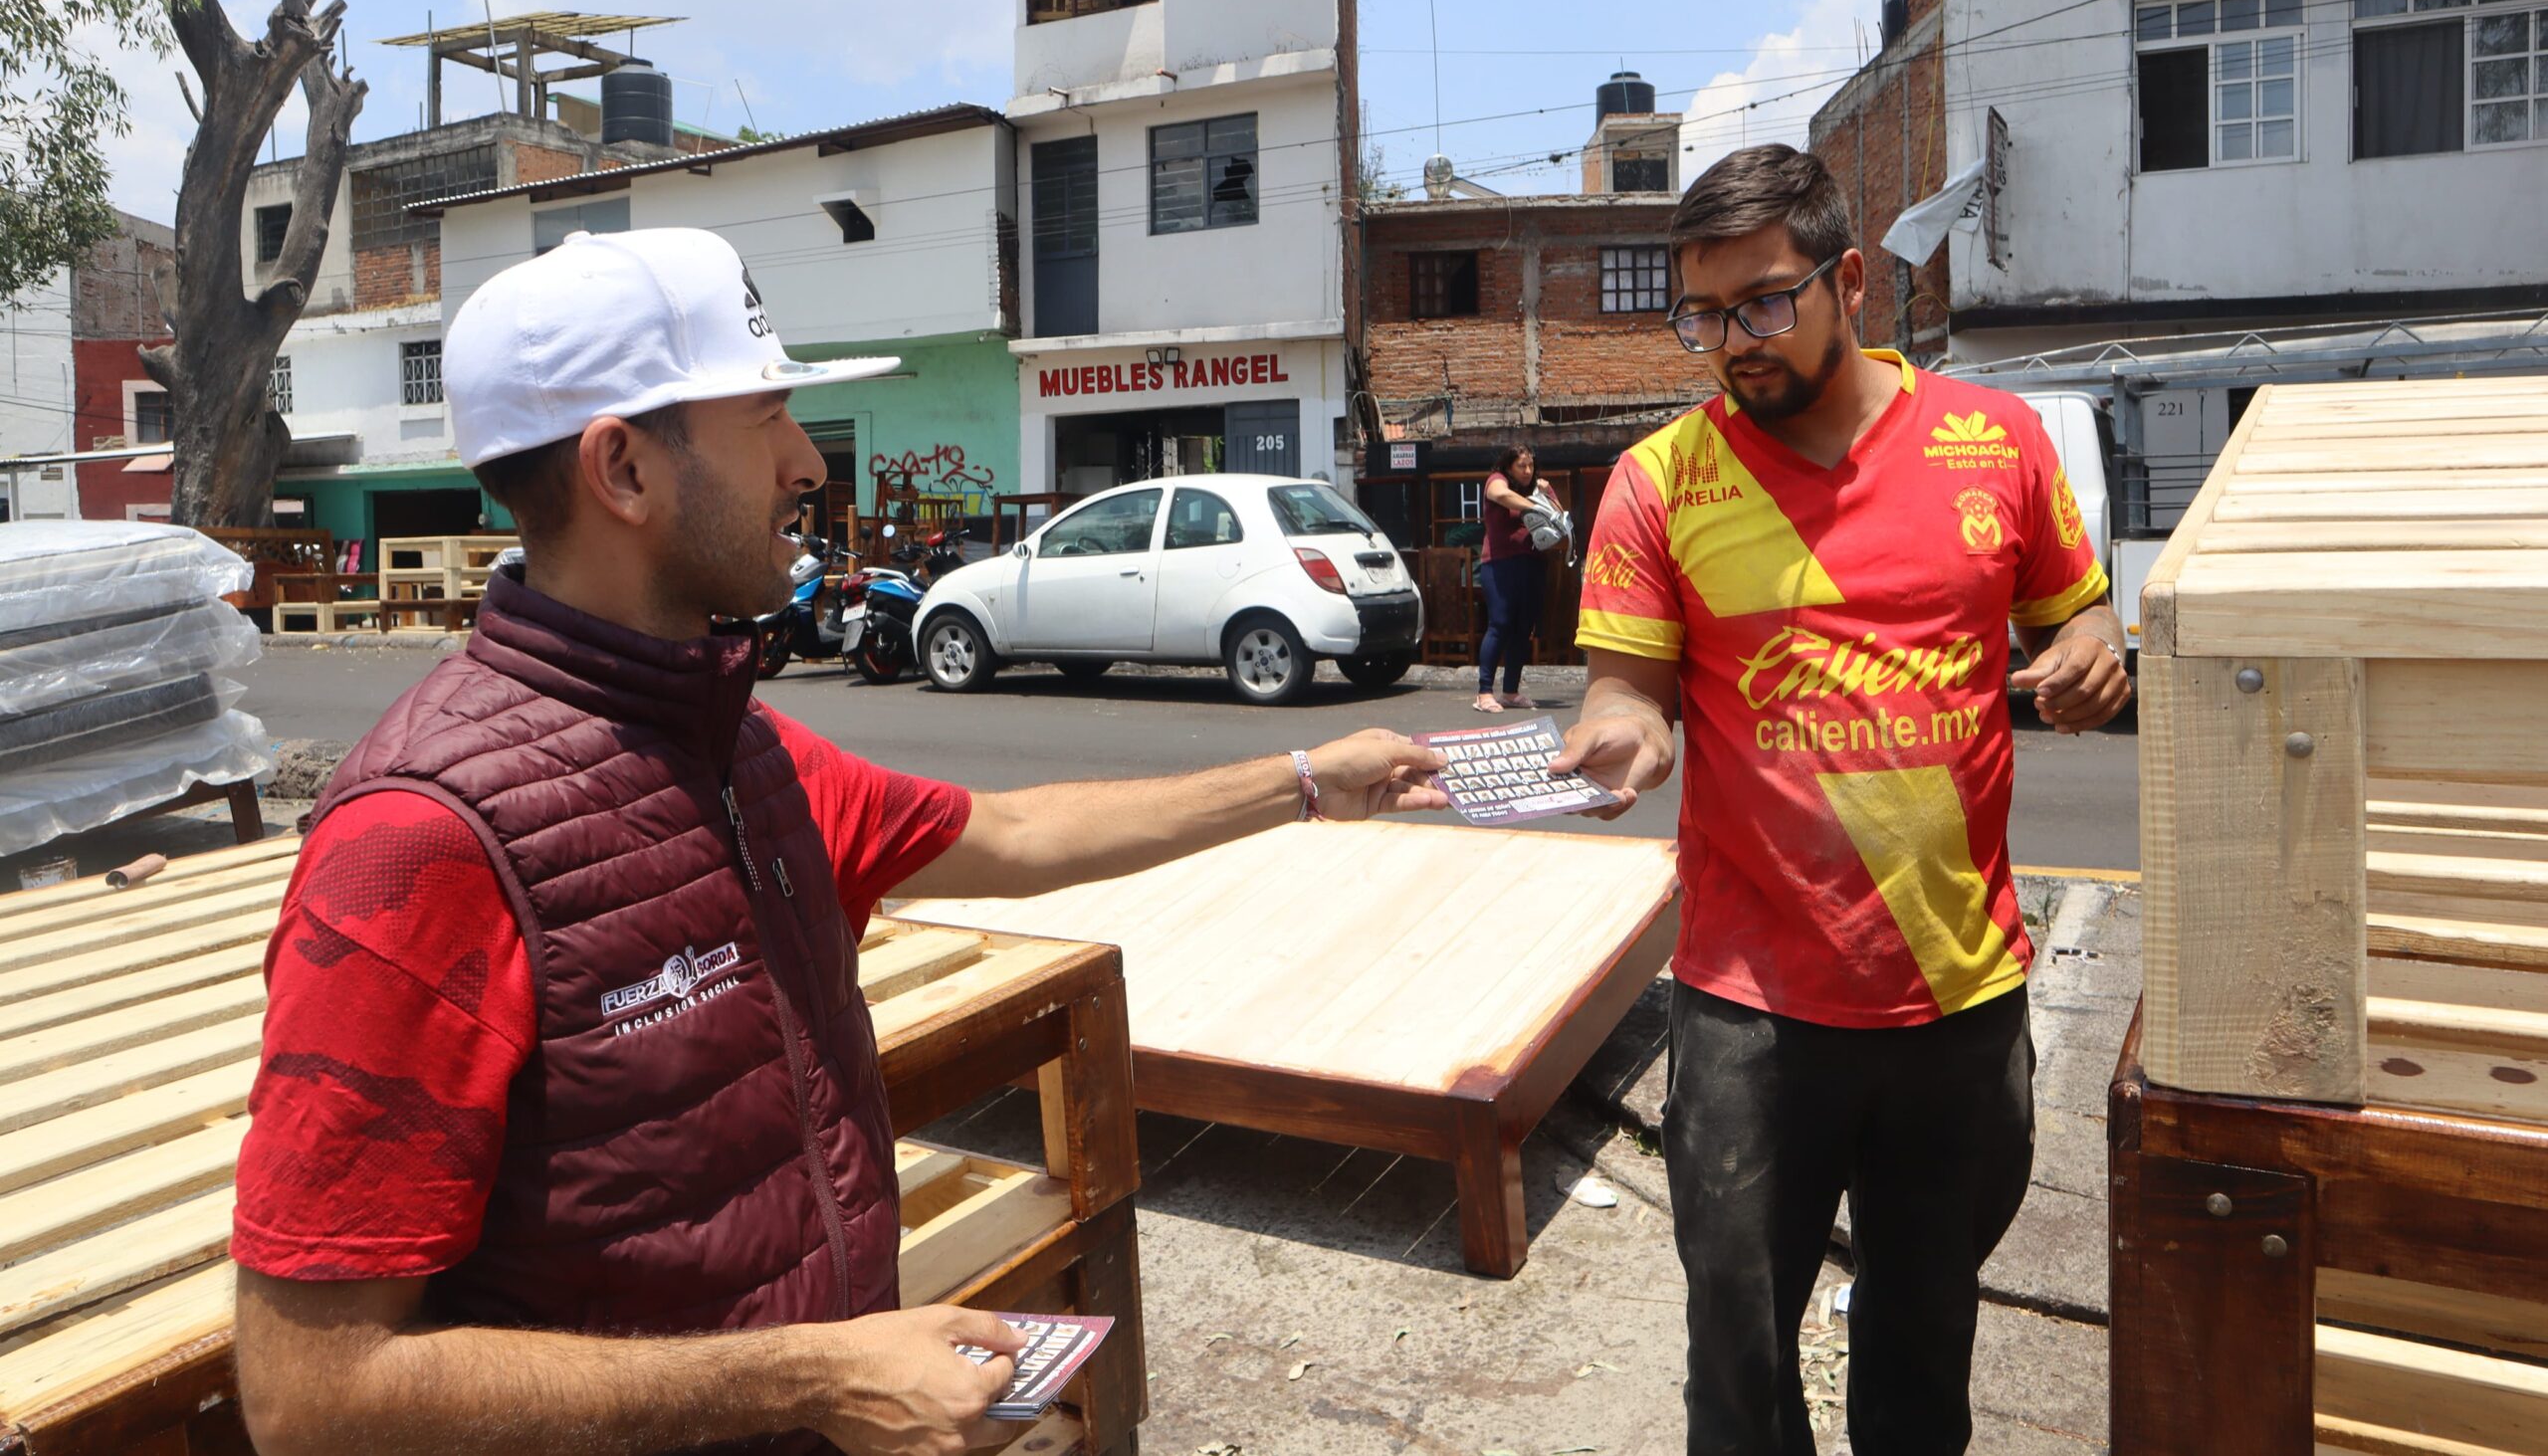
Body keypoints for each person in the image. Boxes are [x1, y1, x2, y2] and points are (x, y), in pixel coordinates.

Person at [230, 227, 1449, 1456]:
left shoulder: (745, 751)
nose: (807, 463)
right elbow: (311, 1393)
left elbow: (1015, 829)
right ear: (624, 469)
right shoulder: (420, 844)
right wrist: (811, 1376)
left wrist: (1305, 778)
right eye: (767, 418)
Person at [1551, 146, 2131, 1456]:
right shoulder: (1660, 480)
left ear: (1849, 280)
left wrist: (2094, 651)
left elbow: (2076, 612)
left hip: (1958, 992)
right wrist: (1620, 736)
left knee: (1924, 1346)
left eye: (1763, 302)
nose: (1732, 343)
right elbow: (1627, 689)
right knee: (1739, 1367)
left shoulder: (1998, 441)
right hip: (1749, 1007)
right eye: (1702, 315)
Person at [1475, 446, 1556, 712]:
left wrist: (1546, 494)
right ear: (1509, 466)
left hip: (1532, 564)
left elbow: (1557, 515)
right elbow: (1501, 495)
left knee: (1523, 629)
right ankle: (1484, 692)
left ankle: (1510, 692)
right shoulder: (1497, 480)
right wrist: (1535, 505)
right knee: (1500, 624)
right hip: (1499, 564)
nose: (1527, 471)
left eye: (1531, 465)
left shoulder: (1537, 489)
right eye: (1521, 465)